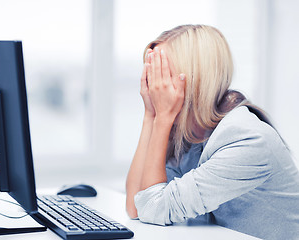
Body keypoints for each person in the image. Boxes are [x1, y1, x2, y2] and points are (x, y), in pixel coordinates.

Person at [125, 24, 299, 240]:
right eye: (152, 75)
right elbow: (136, 205)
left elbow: (153, 208)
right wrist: (150, 115)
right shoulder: (191, 134)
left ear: (196, 78)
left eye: (162, 74)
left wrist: (162, 118)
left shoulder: (246, 138)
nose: (155, 87)